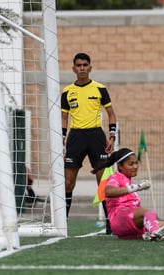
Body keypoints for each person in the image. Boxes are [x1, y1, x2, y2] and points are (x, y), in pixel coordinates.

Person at [61, 52, 117, 234]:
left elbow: (111, 114)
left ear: (90, 68)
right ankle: (63, 224)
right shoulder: (67, 92)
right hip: (75, 137)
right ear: (73, 69)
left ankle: (111, 224)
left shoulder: (100, 88)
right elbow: (64, 117)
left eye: (85, 65)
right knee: (68, 183)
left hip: (96, 137)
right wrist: (62, 139)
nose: (82, 68)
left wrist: (112, 136)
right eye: (79, 65)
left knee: (103, 182)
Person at [91, 148, 164, 241]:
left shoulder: (129, 182)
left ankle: (156, 235)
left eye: (136, 163)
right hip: (119, 220)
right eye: (131, 164)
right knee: (150, 213)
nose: (135, 166)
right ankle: (155, 233)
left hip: (132, 227)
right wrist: (137, 187)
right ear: (120, 166)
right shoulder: (116, 177)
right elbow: (108, 192)